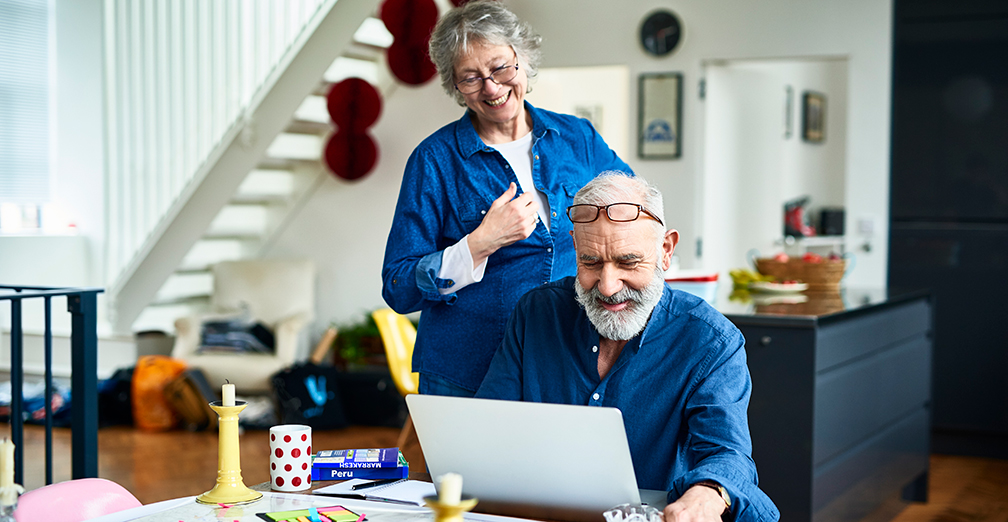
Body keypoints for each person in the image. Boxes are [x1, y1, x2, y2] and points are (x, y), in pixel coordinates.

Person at [476, 172, 780, 521]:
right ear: (575, 247)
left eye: (628, 262)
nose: (607, 286)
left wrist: (709, 493)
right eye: (590, 262)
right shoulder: (536, 313)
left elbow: (728, 454)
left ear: (665, 250)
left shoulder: (711, 341)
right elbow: (488, 428)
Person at [381, 0, 631, 397]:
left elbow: (633, 210)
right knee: (464, 464)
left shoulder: (577, 138)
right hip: (467, 372)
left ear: (523, 59)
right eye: (471, 78)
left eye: (500, 68)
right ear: (456, 87)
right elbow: (398, 285)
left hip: (567, 366)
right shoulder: (434, 160)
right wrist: (480, 243)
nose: (492, 88)